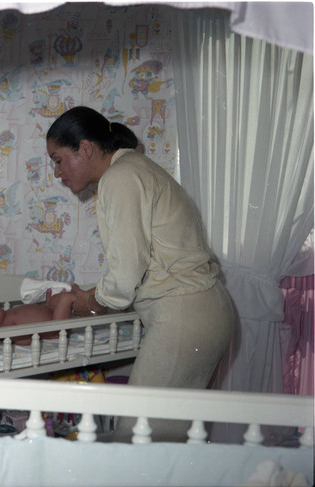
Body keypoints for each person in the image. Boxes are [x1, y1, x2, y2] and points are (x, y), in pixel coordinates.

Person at [46, 106, 234, 442]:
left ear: (85, 148)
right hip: (202, 310)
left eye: (59, 159)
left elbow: (125, 277)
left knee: (138, 438)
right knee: (172, 436)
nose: (57, 172)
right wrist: (91, 294)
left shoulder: (120, 178)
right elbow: (144, 263)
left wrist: (89, 302)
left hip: (185, 315)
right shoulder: (134, 170)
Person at [0, 289, 77, 345]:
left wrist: (46, 306)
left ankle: (79, 301)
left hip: (51, 313)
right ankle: (78, 302)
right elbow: (26, 340)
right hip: (56, 329)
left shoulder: (6, 315)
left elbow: (33, 316)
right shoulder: (8, 329)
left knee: (57, 298)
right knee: (65, 298)